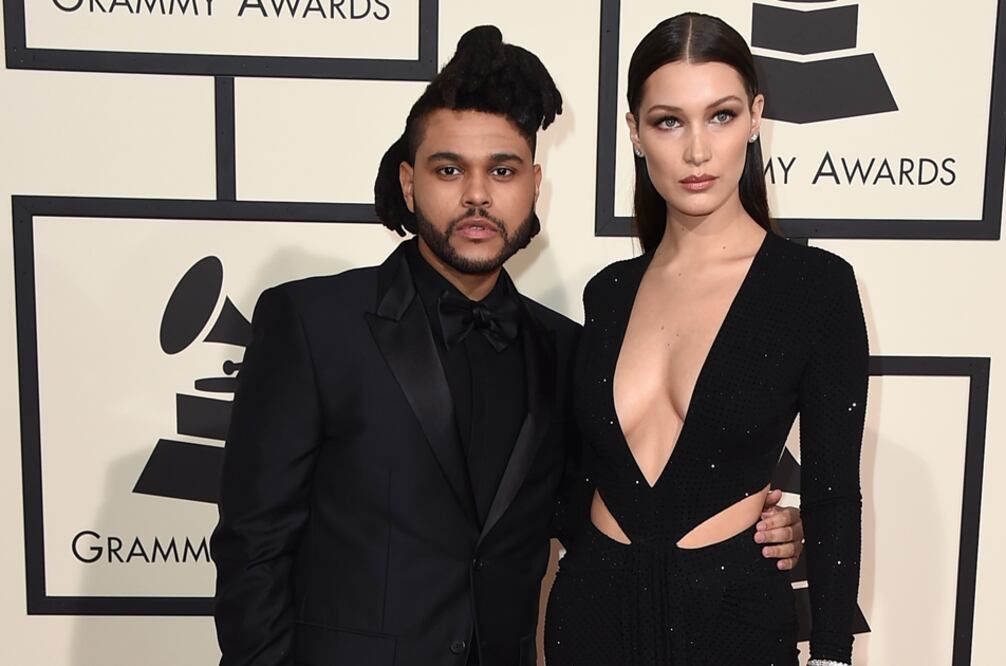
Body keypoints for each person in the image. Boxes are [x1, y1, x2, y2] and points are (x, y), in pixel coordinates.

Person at [211, 25, 805, 666]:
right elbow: (253, 548)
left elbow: (606, 514)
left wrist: (754, 527)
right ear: (409, 184)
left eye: (502, 170)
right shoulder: (312, 323)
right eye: (449, 170)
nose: (477, 195)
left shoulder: (567, 349)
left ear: (534, 185)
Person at [544, 12, 868, 666]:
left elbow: (833, 494)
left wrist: (832, 654)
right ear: (635, 133)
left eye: (720, 116)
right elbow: (577, 475)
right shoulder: (608, 293)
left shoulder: (814, 287)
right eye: (669, 122)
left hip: (734, 626)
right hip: (589, 620)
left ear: (755, 118)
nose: (697, 151)